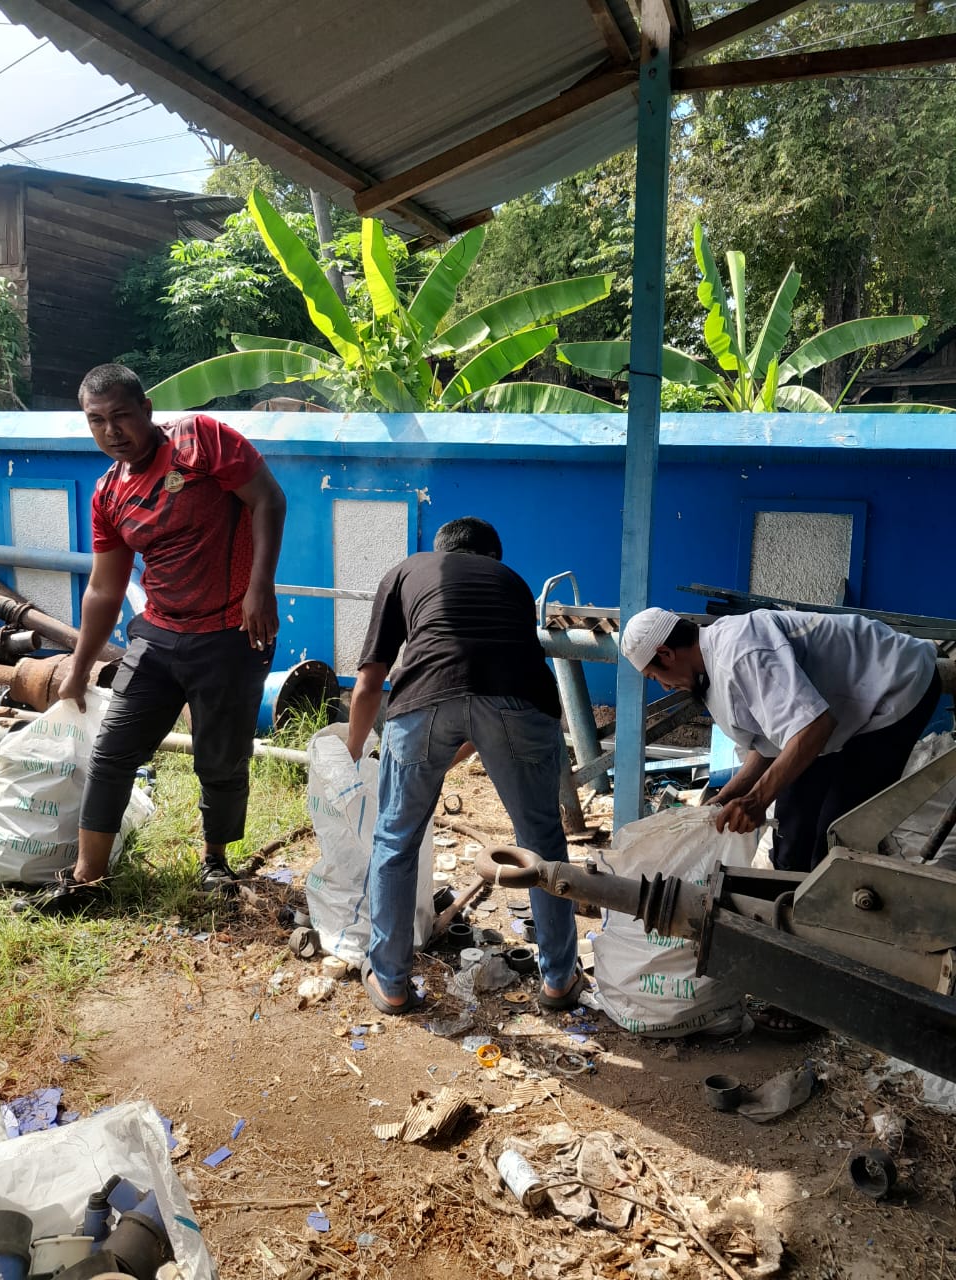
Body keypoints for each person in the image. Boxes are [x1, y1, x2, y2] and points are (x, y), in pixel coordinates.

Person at [38, 363, 286, 913]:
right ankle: (87, 881)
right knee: (112, 752)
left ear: (146, 410)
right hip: (156, 637)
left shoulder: (201, 440)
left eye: (121, 416)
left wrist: (259, 587)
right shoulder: (108, 494)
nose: (111, 431)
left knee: (219, 758)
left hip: (231, 632)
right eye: (96, 420)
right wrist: (77, 671)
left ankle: (215, 861)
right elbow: (103, 591)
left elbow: (267, 499)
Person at [346, 516, 583, 1015]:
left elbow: (371, 681)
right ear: (492, 558)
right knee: (541, 840)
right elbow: (486, 699)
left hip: (424, 697)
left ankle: (390, 982)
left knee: (395, 840)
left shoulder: (408, 571)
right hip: (523, 705)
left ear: (440, 551)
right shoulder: (513, 584)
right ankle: (560, 980)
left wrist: (354, 752)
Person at [620, 606, 940, 874]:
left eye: (654, 676)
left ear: (665, 653)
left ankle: (826, 924)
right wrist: (724, 799)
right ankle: (785, 905)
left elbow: (814, 727)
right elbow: (770, 743)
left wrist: (758, 800)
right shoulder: (710, 671)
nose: (663, 686)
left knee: (837, 836)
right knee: (792, 832)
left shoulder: (740, 651)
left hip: (896, 686)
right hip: (835, 714)